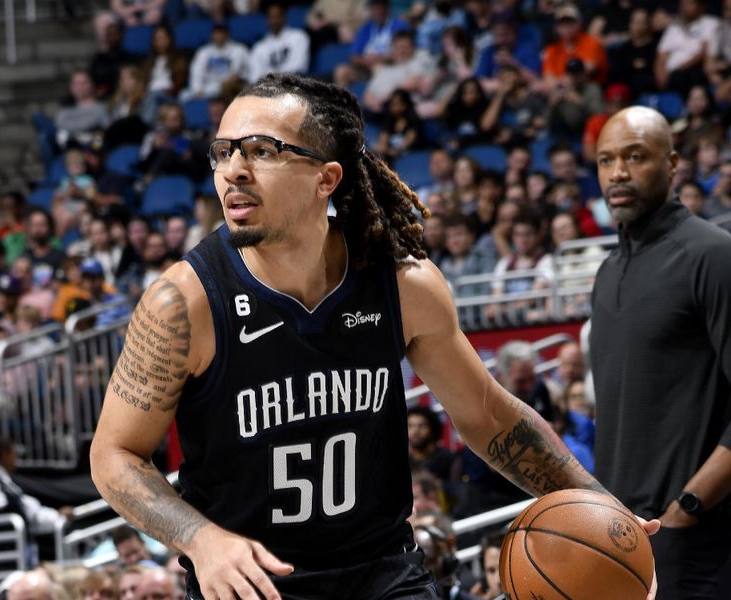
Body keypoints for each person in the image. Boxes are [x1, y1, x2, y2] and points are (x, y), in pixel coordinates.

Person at [89, 73, 657, 600]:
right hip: (248, 585)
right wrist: (201, 539)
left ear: (326, 178)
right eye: (224, 150)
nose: (233, 170)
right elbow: (114, 455)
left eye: (263, 151)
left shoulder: (403, 283)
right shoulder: (182, 303)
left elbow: (488, 415)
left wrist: (600, 510)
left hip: (383, 576)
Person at [591, 105, 731, 599]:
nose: (619, 173)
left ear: (672, 165)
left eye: (635, 156)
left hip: (695, 543)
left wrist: (688, 507)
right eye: (606, 161)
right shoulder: (607, 272)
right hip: (618, 540)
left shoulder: (713, 256)